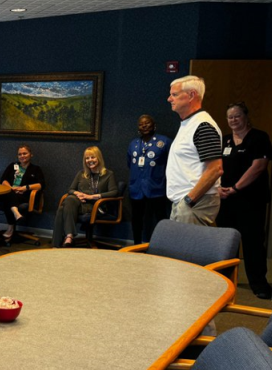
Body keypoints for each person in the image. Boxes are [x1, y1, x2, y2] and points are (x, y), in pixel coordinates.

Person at [217, 102, 272, 299]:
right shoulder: (225, 140)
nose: (233, 120)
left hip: (251, 199)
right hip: (226, 199)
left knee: (253, 242)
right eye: (230, 117)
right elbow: (215, 166)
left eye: (237, 116)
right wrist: (218, 187)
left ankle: (258, 283)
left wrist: (236, 188)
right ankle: (225, 281)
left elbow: (258, 167)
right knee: (227, 242)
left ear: (246, 117)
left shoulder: (259, 138)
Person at [166, 75, 223, 226]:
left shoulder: (202, 126)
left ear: (191, 95)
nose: (169, 99)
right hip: (186, 202)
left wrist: (188, 200)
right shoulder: (189, 123)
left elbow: (215, 169)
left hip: (194, 203)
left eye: (174, 94)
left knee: (188, 243)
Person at [53, 146, 118, 248]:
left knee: (62, 209)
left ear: (99, 158)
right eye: (87, 158)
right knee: (70, 198)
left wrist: (91, 197)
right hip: (79, 204)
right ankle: (69, 236)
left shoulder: (108, 174)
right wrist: (77, 194)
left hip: (97, 206)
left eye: (93, 157)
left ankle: (60, 243)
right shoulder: (81, 174)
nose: (90, 160)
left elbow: (114, 192)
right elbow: (71, 189)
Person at [127, 115, 171, 244]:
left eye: (147, 123)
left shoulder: (164, 142)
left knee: (161, 218)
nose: (144, 126)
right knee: (136, 218)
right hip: (137, 187)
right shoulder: (134, 144)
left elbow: (173, 163)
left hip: (156, 186)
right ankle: (136, 244)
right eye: (141, 124)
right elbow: (130, 163)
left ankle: (164, 245)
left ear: (154, 125)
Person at [0, 144, 45, 241]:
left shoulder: (36, 169)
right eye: (20, 154)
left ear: (31, 155)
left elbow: (41, 185)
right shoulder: (12, 166)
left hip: (23, 195)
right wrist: (11, 188)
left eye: (25, 153)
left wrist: (25, 188)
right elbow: (3, 180)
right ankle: (16, 213)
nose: (22, 156)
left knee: (7, 201)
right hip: (9, 192)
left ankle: (10, 228)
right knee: (8, 194)